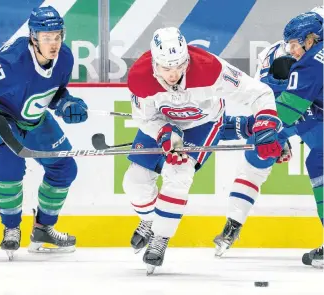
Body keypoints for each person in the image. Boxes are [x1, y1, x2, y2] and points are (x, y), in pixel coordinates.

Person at [122, 26, 282, 274]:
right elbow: (144, 118)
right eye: (166, 67)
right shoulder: (140, 77)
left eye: (179, 65)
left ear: (187, 57)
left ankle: (160, 238)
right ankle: (150, 220)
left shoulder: (210, 68)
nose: (173, 74)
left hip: (202, 123)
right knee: (135, 181)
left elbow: (259, 93)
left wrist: (266, 124)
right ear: (155, 63)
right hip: (163, 122)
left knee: (180, 172)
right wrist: (164, 132)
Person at [214, 11, 323, 269]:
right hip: (311, 117)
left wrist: (249, 127)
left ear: (311, 39)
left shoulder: (311, 61)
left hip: (309, 117)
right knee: (316, 164)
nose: (294, 51)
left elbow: (286, 109)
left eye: (296, 45)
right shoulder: (293, 57)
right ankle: (233, 224)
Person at [0, 6, 88, 259]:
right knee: (9, 172)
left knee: (65, 168)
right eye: (47, 38)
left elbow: (55, 93)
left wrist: (66, 104)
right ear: (33, 37)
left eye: (57, 36)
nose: (54, 43)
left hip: (36, 120)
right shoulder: (10, 63)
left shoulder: (65, 58)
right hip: (3, 120)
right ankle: (11, 229)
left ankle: (43, 228)